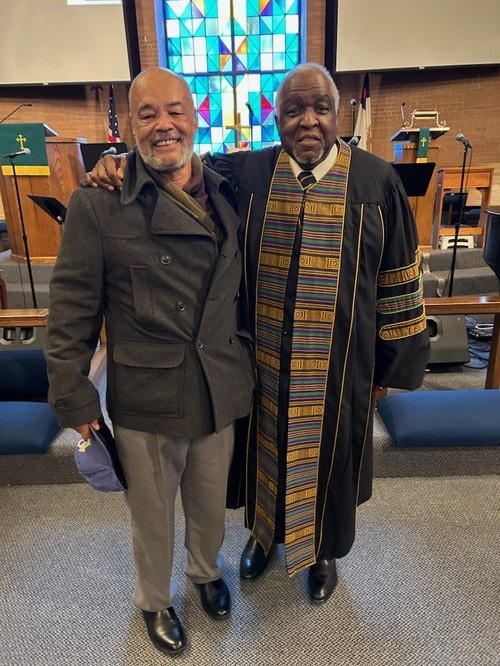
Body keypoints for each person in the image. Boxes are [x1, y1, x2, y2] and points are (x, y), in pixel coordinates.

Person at [87, 62, 430, 605]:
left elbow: (397, 280)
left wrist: (390, 368)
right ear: (277, 119)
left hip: (338, 366)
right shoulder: (248, 172)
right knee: (263, 452)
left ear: (338, 115)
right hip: (261, 361)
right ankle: (265, 535)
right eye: (293, 110)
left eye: (320, 108)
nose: (308, 121)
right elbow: (172, 166)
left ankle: (320, 552)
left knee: (327, 460)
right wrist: (121, 162)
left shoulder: (375, 181)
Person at [45, 67, 255, 657]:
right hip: (149, 392)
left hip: (218, 381)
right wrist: (73, 395)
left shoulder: (228, 190)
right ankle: (155, 600)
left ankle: (206, 572)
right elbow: (72, 308)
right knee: (152, 513)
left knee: (210, 503)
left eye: (175, 111)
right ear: (130, 127)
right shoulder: (98, 202)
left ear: (195, 116)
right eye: (148, 114)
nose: (164, 125)